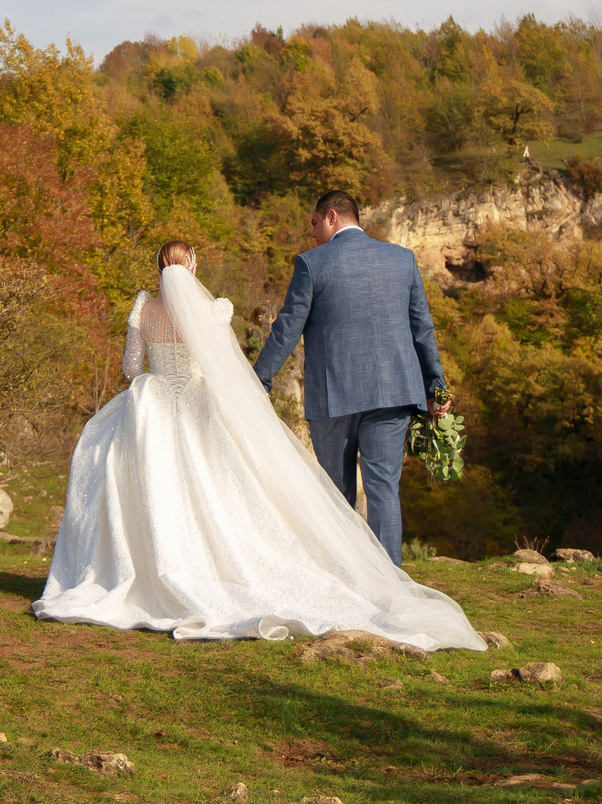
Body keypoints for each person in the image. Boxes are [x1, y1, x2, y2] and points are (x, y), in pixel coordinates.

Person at [31, 240, 482, 650]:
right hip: (202, 405)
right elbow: (221, 365)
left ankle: (150, 576)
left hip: (153, 409)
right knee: (225, 493)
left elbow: (131, 368)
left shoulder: (143, 309)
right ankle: (378, 572)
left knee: (156, 493)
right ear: (193, 265)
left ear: (157, 269)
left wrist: (157, 375)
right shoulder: (213, 311)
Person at [249, 190, 448, 566]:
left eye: (314, 223)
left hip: (333, 396)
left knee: (336, 495)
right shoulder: (402, 260)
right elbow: (423, 328)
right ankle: (391, 584)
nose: (312, 232)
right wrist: (436, 386)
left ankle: (347, 579)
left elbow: (288, 329)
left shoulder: (311, 264)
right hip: (393, 393)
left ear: (332, 218)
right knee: (383, 490)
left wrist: (259, 377)